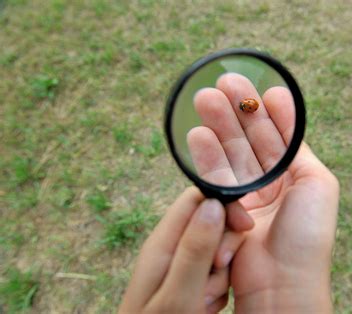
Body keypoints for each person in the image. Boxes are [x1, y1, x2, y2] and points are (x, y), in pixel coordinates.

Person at [119, 74, 339, 313]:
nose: (247, 106)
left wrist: (285, 290)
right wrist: (285, 293)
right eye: (246, 105)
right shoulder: (247, 107)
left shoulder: (248, 108)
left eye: (246, 106)